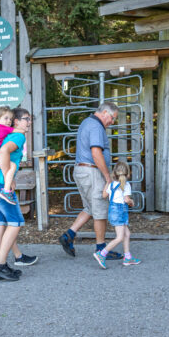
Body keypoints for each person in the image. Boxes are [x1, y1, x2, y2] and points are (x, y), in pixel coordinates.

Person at [58, 102, 123, 261]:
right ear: (106, 113)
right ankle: (101, 249)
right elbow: (96, 152)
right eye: (113, 118)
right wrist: (107, 177)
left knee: (89, 207)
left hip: (82, 170)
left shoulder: (87, 122)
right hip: (92, 171)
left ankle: (69, 235)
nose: (112, 122)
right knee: (100, 210)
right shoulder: (96, 126)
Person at [0, 108, 32, 281]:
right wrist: (6, 179)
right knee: (15, 222)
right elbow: (3, 152)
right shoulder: (19, 136)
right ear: (17, 122)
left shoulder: (9, 134)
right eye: (26, 119)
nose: (29, 122)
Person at [93, 161, 141, 268]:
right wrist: (132, 202)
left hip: (114, 211)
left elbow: (104, 195)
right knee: (119, 237)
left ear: (114, 173)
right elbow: (127, 199)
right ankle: (102, 254)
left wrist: (107, 182)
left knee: (127, 234)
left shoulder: (112, 185)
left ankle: (128, 257)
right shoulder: (126, 185)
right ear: (128, 173)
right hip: (120, 212)